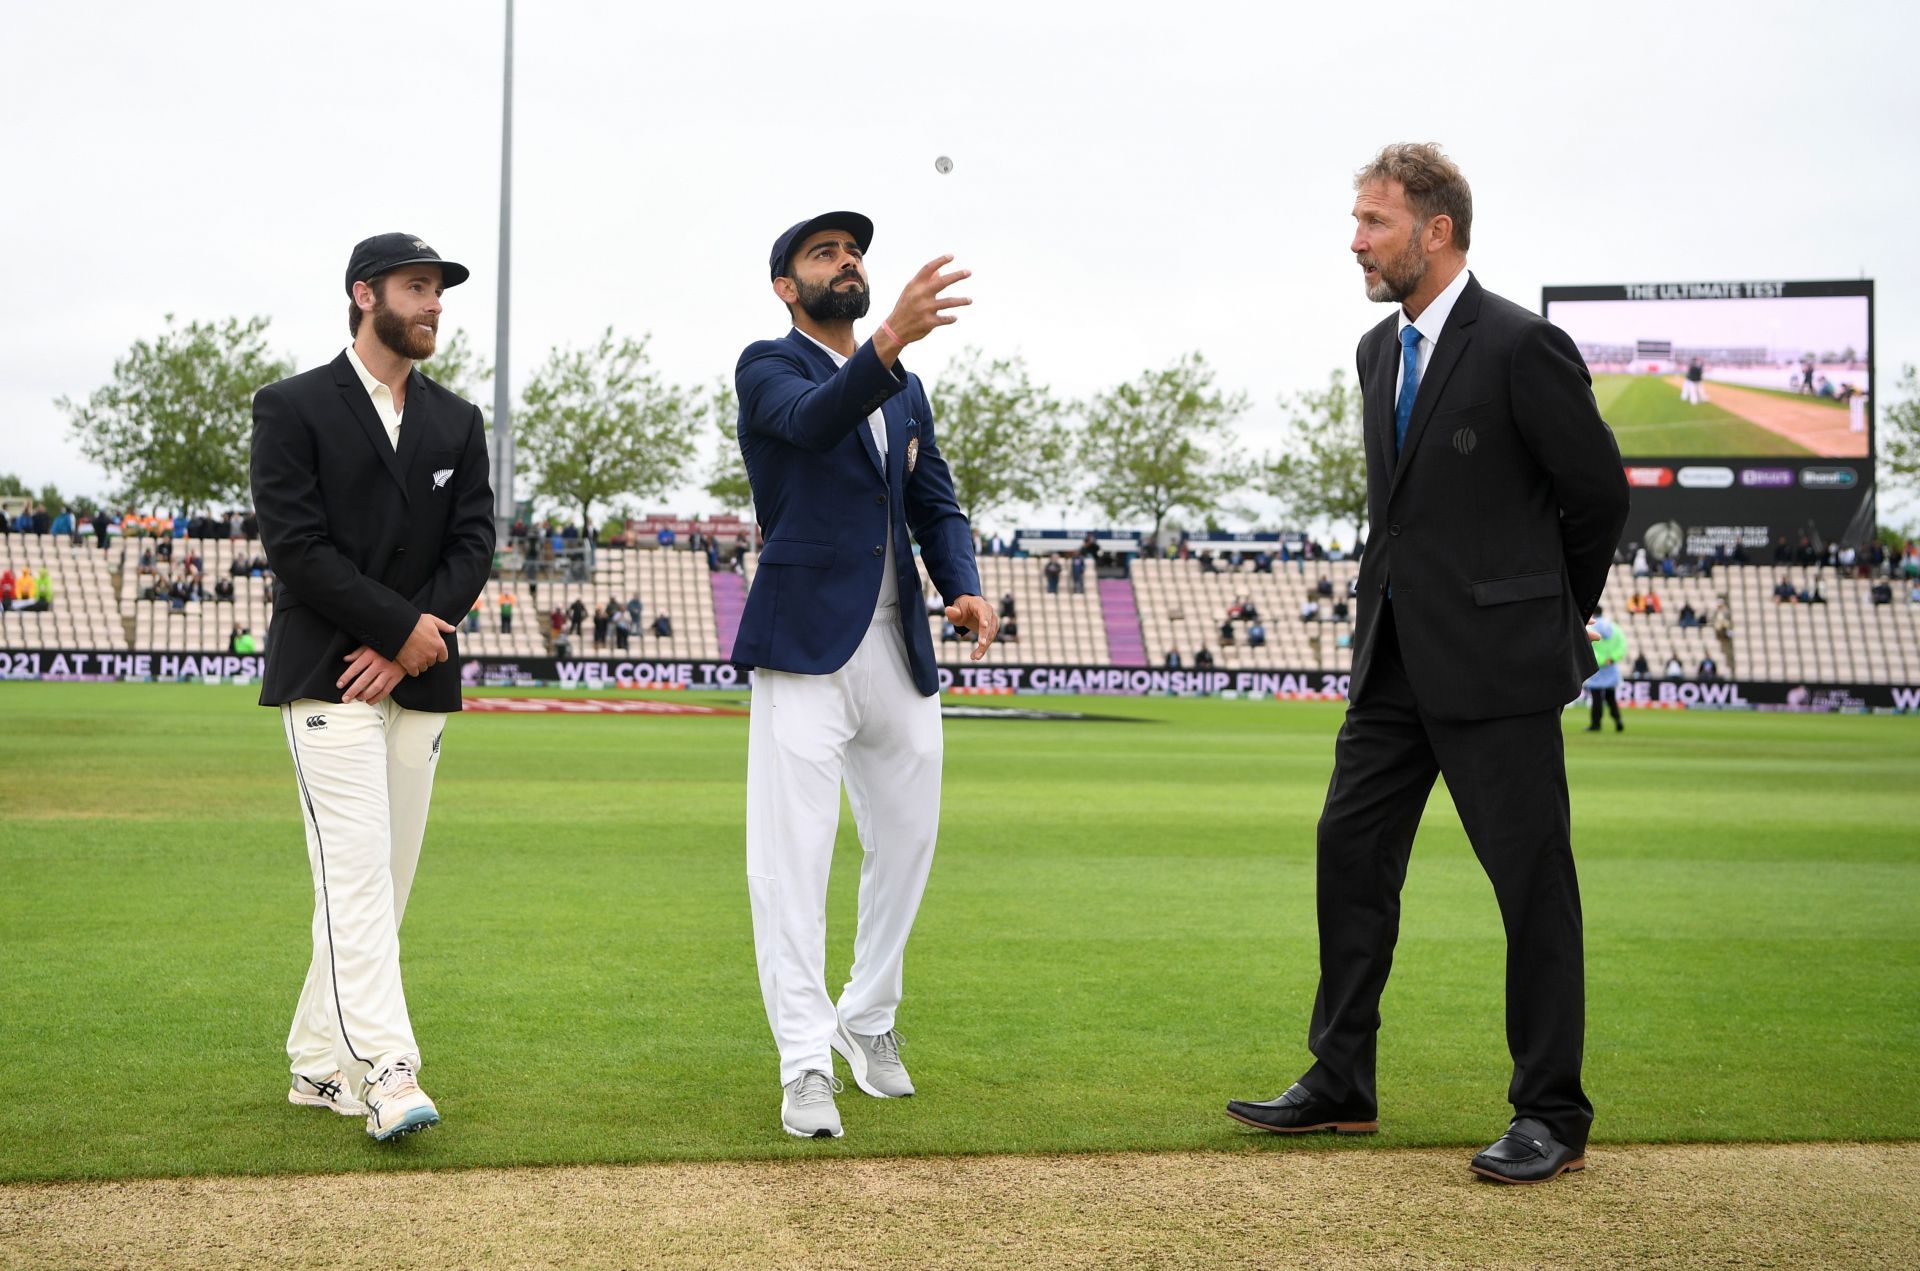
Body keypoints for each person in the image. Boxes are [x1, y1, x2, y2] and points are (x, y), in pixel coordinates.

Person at [1226, 145, 1629, 1186]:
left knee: (1531, 886)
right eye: (1357, 221)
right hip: (1392, 662)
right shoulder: (1376, 350)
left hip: (1499, 667)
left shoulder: (1523, 345)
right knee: (1348, 853)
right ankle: (1341, 1079)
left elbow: (1598, 497)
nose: (1354, 239)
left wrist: (1546, 615)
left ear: (1435, 229)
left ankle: (1551, 1109)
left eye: (1372, 221)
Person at [732, 210, 994, 1140]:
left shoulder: (903, 386)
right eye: (824, 254)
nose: (847, 262)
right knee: (792, 859)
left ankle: (867, 1018)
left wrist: (962, 586)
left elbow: (936, 499)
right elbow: (811, 421)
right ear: (786, 286)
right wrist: (887, 343)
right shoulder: (768, 367)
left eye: (854, 253)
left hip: (898, 641)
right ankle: (804, 1059)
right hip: (804, 641)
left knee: (910, 838)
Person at [248, 231, 493, 1142]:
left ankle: (317, 1063)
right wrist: (396, 630)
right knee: (355, 875)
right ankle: (390, 1070)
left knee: (381, 888)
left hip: (416, 678)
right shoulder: (292, 406)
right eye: (418, 288)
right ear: (364, 295)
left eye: (439, 291)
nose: (434, 305)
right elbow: (296, 548)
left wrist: (409, 645)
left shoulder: (458, 420)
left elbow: (474, 545)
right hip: (325, 678)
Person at [1583, 608, 1625, 733]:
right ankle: (1618, 720)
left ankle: (1596, 724)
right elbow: (1622, 646)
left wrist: (1601, 660)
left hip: (1596, 669)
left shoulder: (1591, 628)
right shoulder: (1616, 629)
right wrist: (1612, 659)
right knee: (1611, 699)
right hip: (1611, 670)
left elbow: (1588, 646)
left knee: (1596, 699)